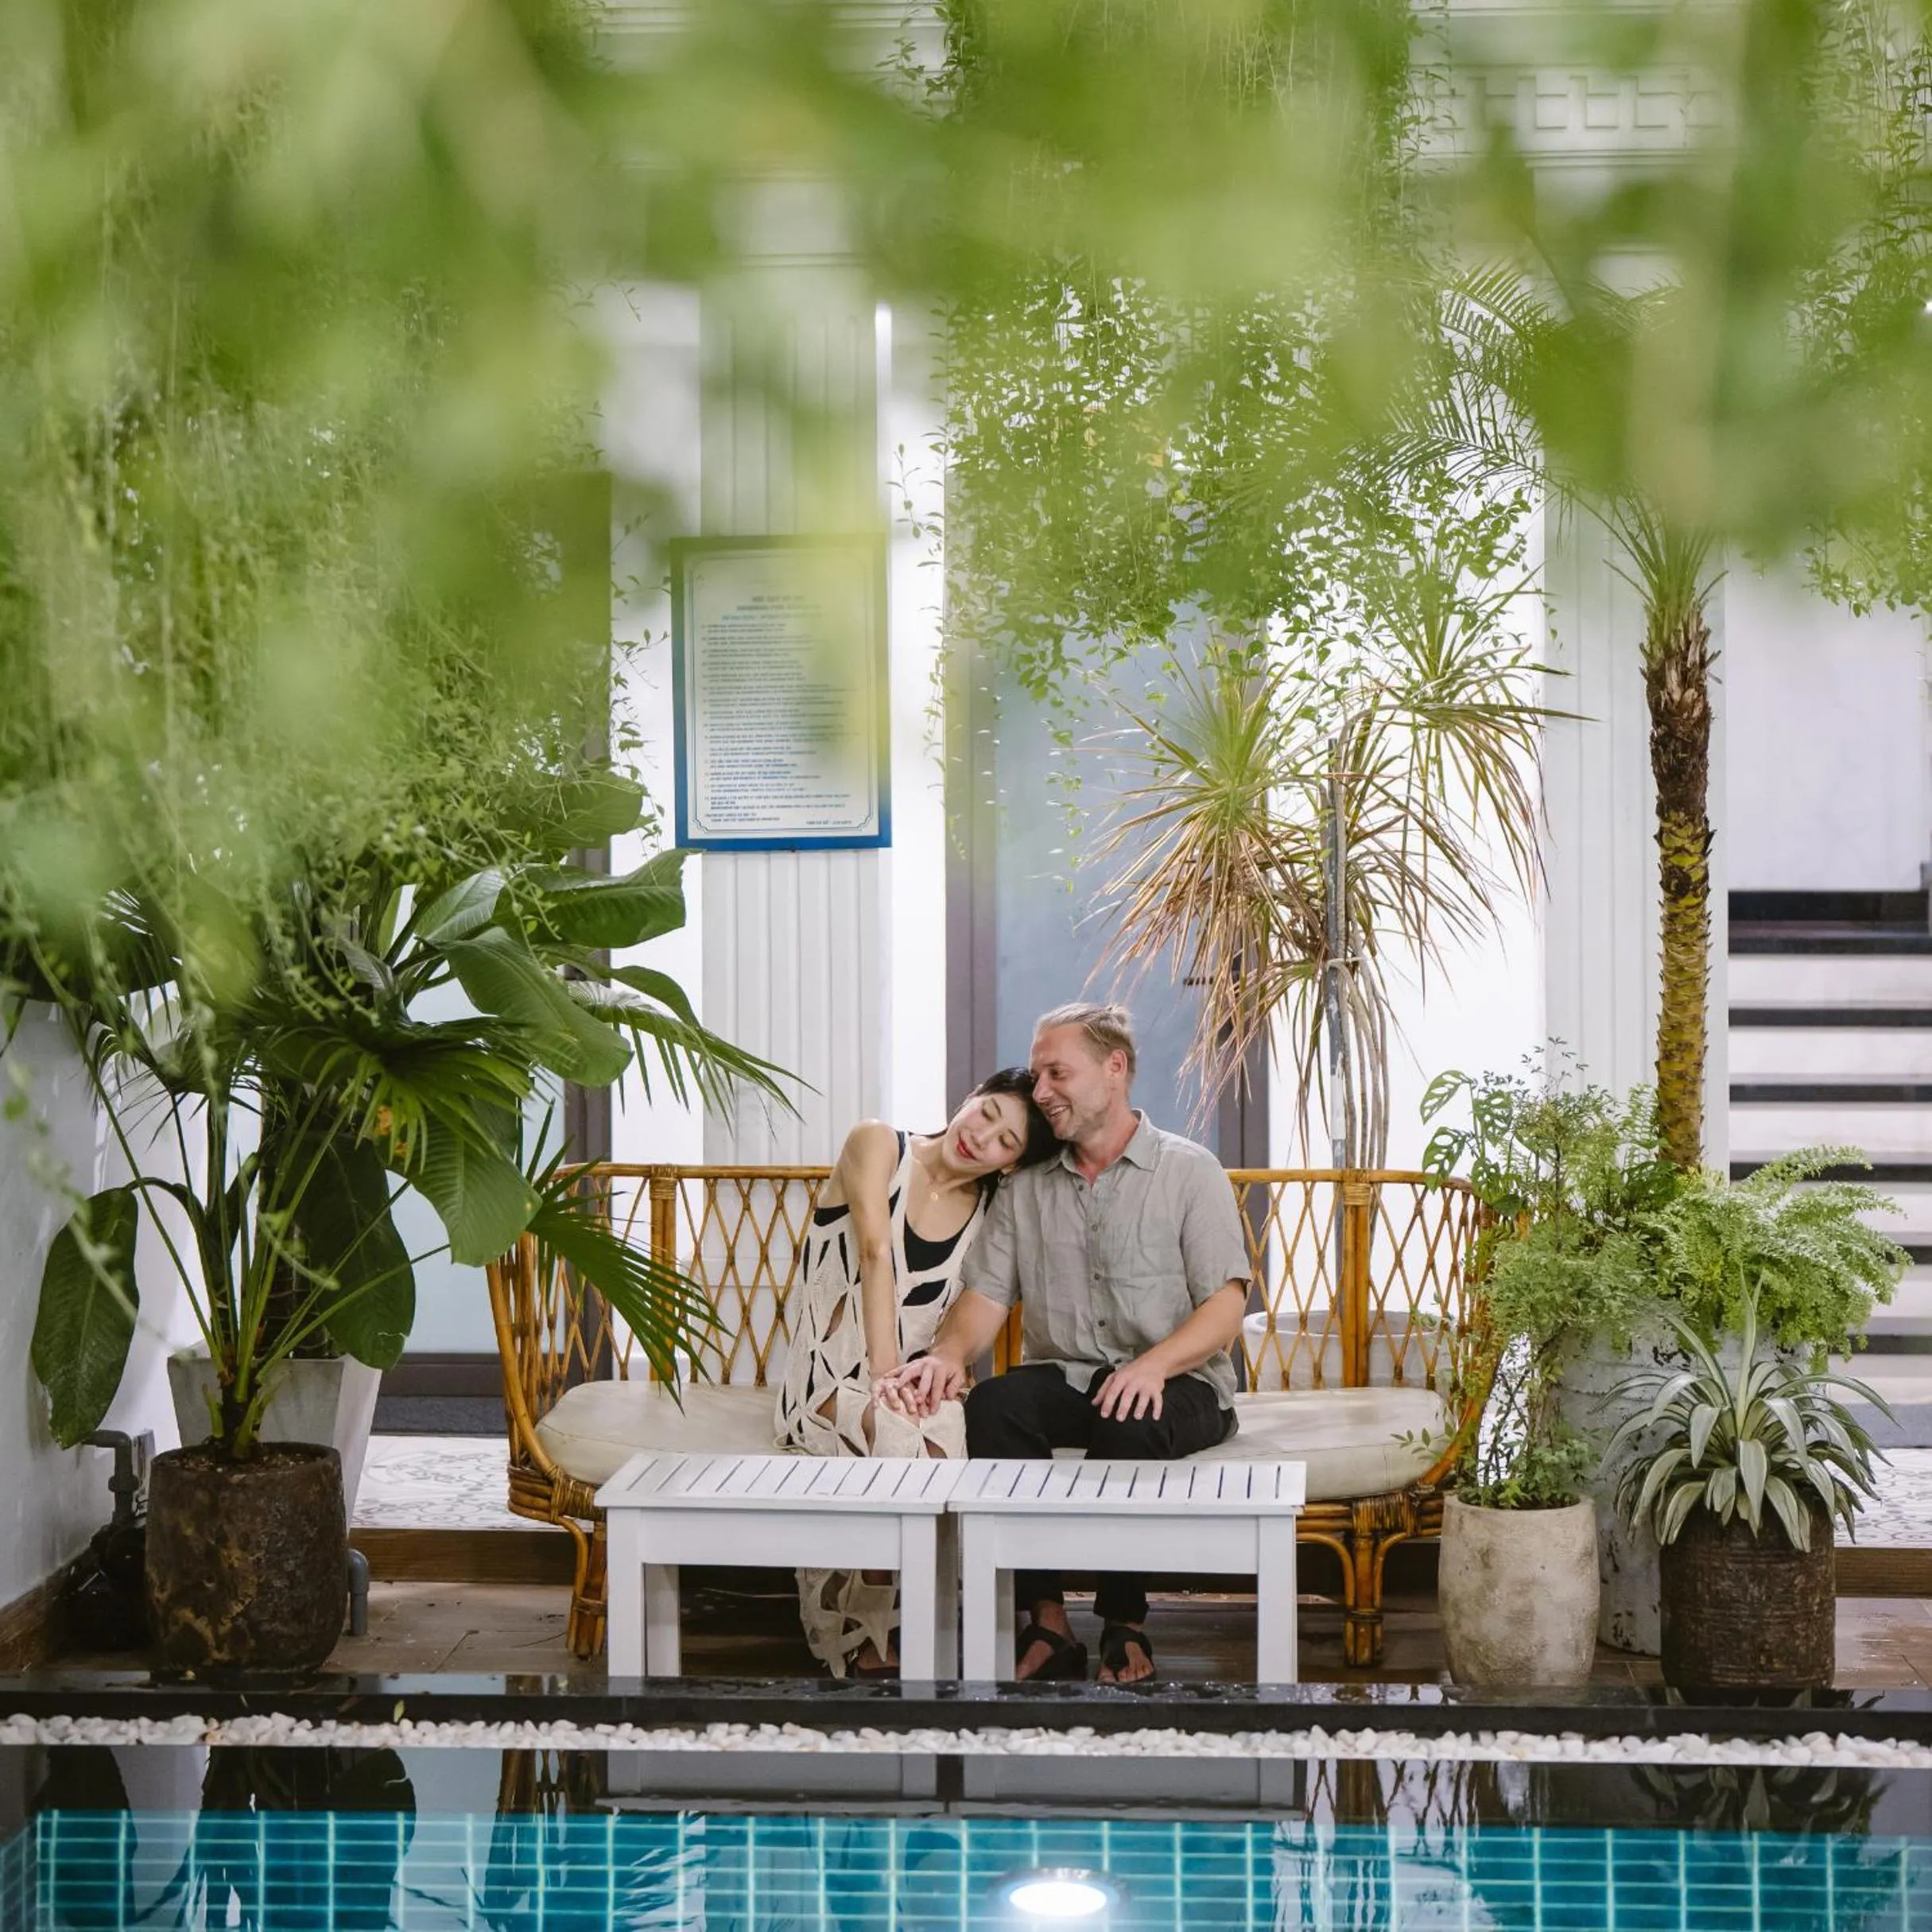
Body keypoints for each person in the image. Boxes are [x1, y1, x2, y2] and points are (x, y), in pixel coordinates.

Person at [875, 1002, 1250, 1686]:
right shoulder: (1026, 1190)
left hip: (1181, 1384)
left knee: (1128, 1413)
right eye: (1038, 1073)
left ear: (1115, 1070)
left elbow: (1226, 1306)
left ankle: (1123, 1622)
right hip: (1069, 1376)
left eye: (1057, 1073)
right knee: (993, 1406)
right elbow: (986, 1298)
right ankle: (1046, 1621)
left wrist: (1151, 1367)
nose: (1040, 1090)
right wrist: (950, 1356)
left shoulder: (1189, 1171)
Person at [774, 1069, 1057, 1677]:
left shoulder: (989, 1215)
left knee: (953, 1432)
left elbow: (962, 1323)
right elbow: (875, 1252)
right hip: (825, 1381)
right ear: (969, 1098)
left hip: (900, 1388)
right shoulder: (878, 1143)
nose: (982, 1137)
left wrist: (935, 1378)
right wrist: (885, 1378)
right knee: (896, 1430)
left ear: (1010, 1165)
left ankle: (934, 1624)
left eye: (1006, 1141)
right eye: (987, 1114)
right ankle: (858, 1630)